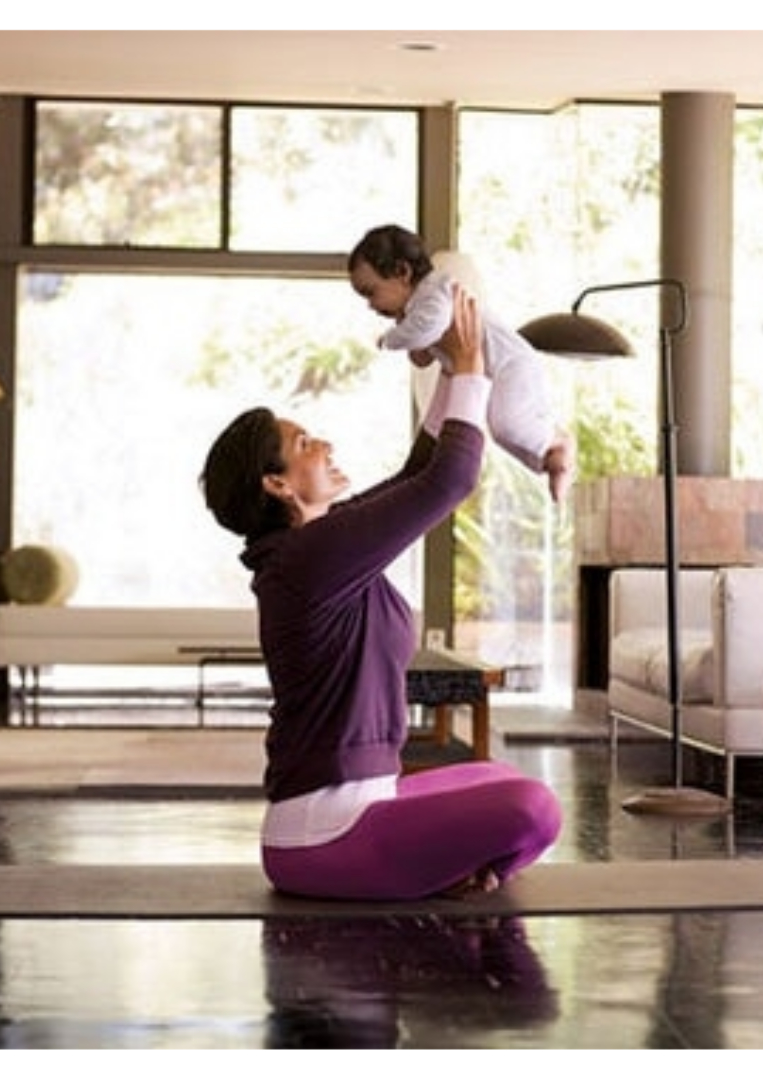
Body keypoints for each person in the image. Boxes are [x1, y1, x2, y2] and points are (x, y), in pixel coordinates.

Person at [199, 286, 561, 901]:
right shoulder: (306, 560)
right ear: (277, 484)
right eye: (305, 443)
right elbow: (450, 478)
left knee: (493, 777)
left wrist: (451, 364)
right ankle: (441, 866)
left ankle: (447, 867)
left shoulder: (316, 545)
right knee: (534, 807)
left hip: (362, 806)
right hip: (326, 834)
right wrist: (471, 365)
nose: (326, 445)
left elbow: (418, 471)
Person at [348, 224, 573, 503]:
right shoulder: (419, 307)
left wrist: (390, 339)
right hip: (502, 371)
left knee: (507, 424)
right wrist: (417, 345)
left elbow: (428, 327)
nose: (371, 305)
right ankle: (550, 460)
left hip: (513, 365)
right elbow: (424, 352)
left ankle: (556, 443)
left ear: (402, 272)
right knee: (503, 430)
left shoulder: (436, 291)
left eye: (371, 292)